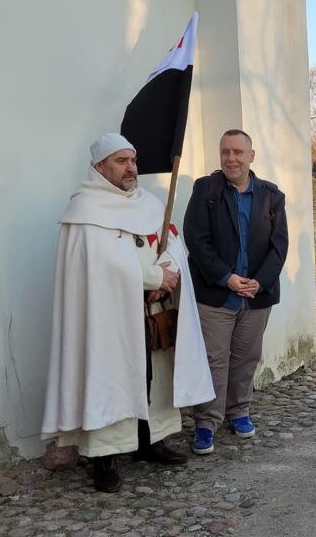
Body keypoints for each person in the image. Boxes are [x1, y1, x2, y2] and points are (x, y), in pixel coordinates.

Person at [41, 133, 214, 493]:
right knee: (110, 378)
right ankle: (105, 456)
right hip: (106, 319)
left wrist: (168, 271)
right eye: (121, 161)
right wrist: (153, 276)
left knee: (153, 376)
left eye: (132, 160)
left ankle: (151, 440)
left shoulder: (148, 203)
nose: (131, 168)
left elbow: (172, 243)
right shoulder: (85, 211)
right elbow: (102, 265)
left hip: (152, 310)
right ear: (100, 167)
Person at [183, 129, 289, 455]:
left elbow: (279, 245)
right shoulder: (206, 189)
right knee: (213, 360)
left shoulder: (271, 195)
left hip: (256, 296)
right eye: (225, 152)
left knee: (246, 358)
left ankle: (239, 411)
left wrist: (261, 281)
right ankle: (206, 422)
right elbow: (196, 239)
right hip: (216, 295)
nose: (231, 158)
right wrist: (225, 277)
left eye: (238, 152)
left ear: (251, 156)